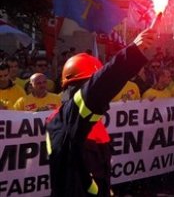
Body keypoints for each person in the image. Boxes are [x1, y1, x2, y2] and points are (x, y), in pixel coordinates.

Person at [45, 26, 156, 196]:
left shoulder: (86, 123)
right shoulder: (67, 119)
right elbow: (98, 88)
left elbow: (98, 177)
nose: (106, 97)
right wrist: (132, 52)